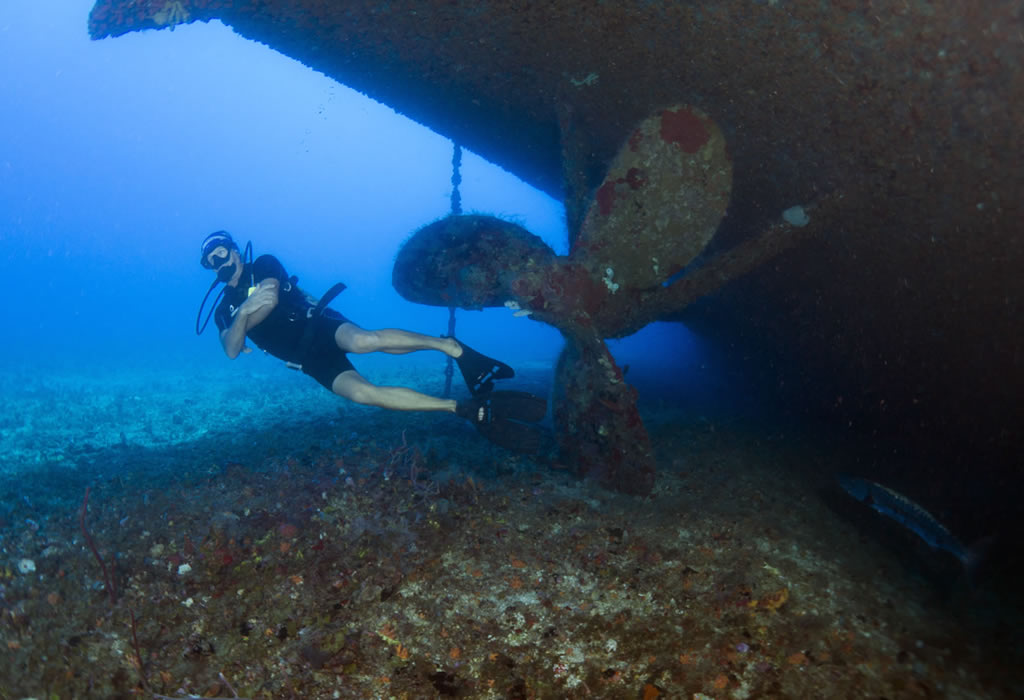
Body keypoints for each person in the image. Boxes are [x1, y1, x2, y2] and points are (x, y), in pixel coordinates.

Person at [198, 231, 546, 451]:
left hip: (319, 324)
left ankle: (452, 347)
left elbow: (270, 298)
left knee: (365, 341)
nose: (218, 263)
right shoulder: (223, 311)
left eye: (222, 253)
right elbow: (230, 350)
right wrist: (242, 315)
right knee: (365, 394)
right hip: (306, 359)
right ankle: (460, 408)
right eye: (211, 261)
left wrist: (242, 321)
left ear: (236, 252)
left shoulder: (263, 264)